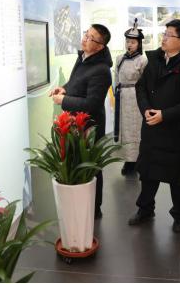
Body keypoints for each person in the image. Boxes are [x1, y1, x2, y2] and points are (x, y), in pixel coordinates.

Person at [128, 19, 180, 233]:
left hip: (175, 129)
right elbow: (141, 87)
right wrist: (145, 109)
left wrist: (165, 115)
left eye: (169, 35)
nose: (163, 38)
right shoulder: (155, 60)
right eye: (164, 33)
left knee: (177, 176)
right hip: (151, 125)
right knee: (147, 171)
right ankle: (145, 209)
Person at [49, 24, 113, 219]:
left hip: (89, 126)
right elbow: (77, 82)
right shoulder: (83, 57)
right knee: (77, 162)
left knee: (91, 166)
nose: (85, 38)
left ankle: (94, 209)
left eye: (91, 38)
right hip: (75, 123)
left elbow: (92, 104)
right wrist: (64, 89)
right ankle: (79, 204)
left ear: (100, 46)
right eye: (86, 33)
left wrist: (63, 101)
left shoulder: (102, 70)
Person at [114, 19, 147, 177]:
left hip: (135, 98)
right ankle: (127, 160)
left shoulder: (143, 60)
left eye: (133, 42)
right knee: (124, 130)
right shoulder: (119, 58)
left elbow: (145, 82)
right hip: (122, 98)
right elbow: (116, 77)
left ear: (139, 44)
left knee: (135, 129)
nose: (129, 44)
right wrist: (116, 92)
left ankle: (137, 160)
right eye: (128, 41)